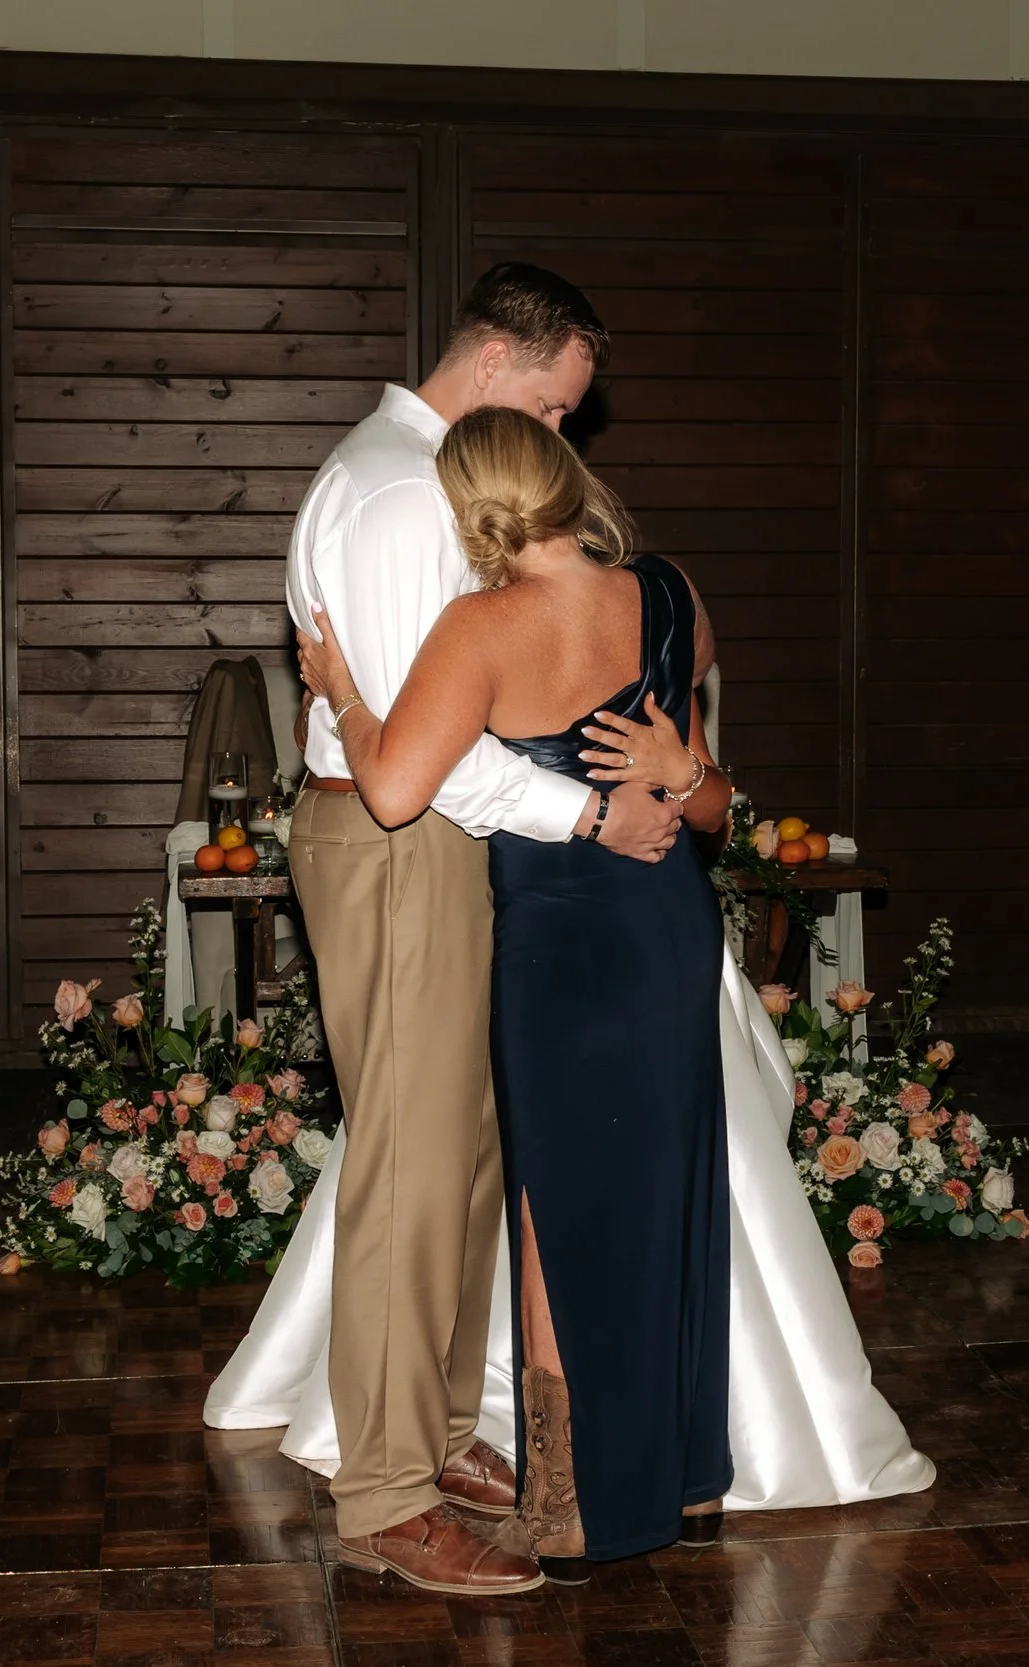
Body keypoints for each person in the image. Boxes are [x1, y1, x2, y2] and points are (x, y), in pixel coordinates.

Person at [276, 264, 685, 1599]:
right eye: (557, 406)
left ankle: (441, 1435)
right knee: (411, 1164)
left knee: (460, 1156)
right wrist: (591, 815)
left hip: (425, 844)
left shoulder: (413, 473)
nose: (561, 437)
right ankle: (387, 1494)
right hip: (400, 842)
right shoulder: (403, 494)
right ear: (502, 359)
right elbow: (432, 755)